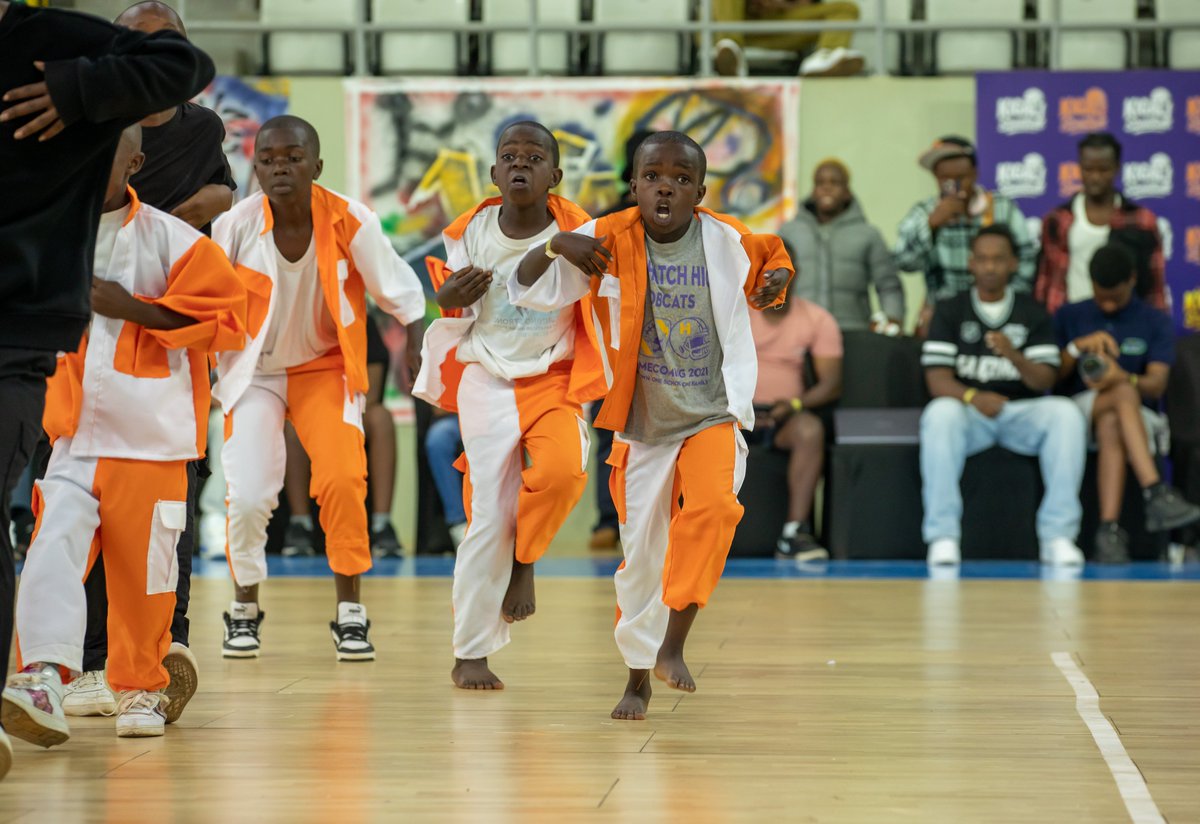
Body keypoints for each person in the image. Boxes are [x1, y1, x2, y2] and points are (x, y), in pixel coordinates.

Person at [0, 0, 213, 778]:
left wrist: (134, 308)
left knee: (146, 576)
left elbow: (225, 314)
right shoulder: (58, 227)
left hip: (153, 442)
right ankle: (44, 678)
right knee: (51, 550)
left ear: (131, 164)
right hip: (76, 436)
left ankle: (141, 687)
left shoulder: (174, 240)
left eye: (114, 155)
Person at [512, 131, 791, 719]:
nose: (667, 185)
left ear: (700, 192)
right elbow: (525, 290)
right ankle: (636, 676)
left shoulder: (726, 239)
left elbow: (772, 260)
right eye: (654, 176)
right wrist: (558, 244)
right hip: (640, 425)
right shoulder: (605, 238)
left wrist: (774, 281)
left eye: (682, 178)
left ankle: (673, 646)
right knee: (640, 554)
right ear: (634, 185)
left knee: (714, 508)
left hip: (712, 411)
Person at [67, 0, 236, 724]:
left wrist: (166, 230)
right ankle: (84, 662)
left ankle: (164, 651)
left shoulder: (200, 130)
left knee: (165, 519)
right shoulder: (83, 121)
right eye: (138, 42)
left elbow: (222, 199)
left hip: (162, 345)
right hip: (80, 356)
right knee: (71, 524)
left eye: (166, 43)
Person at [213, 115, 426, 661]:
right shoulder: (234, 227)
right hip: (254, 374)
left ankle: (350, 612)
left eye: (292, 157)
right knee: (252, 494)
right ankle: (244, 609)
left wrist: (419, 342)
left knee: (342, 479)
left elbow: (399, 291)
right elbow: (207, 305)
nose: (279, 167)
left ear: (317, 166)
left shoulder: (351, 221)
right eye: (268, 159)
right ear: (254, 166)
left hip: (324, 367)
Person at [413, 121, 596, 691]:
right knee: (488, 515)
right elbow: (451, 305)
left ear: (554, 176)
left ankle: (524, 564)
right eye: (509, 156)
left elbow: (583, 291)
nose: (521, 164)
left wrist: (561, 246)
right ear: (494, 173)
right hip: (488, 379)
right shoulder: (468, 233)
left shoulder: (579, 231)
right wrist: (444, 299)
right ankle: (470, 651)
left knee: (564, 473)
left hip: (556, 375)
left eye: (534, 156)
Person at [919, 224, 1086, 567]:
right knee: (939, 414)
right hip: (971, 413)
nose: (990, 267)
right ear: (971, 264)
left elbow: (1044, 380)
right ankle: (943, 536)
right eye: (982, 259)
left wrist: (1013, 355)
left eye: (998, 259)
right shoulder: (951, 309)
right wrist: (972, 397)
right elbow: (936, 379)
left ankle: (1058, 536)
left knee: (1066, 414)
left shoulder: (1032, 312)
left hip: (1019, 411)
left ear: (1013, 264)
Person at [1055, 244, 1200, 562]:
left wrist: (1123, 376)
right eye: (1100, 294)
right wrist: (1078, 349)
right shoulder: (1070, 315)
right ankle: (1156, 493)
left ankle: (1108, 532)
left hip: (1136, 415)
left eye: (1114, 297)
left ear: (1132, 280)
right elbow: (1051, 376)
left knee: (1115, 417)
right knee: (1121, 396)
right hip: (1077, 411)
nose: (1106, 304)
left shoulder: (1153, 320)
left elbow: (1157, 384)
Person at [281, 310, 405, 559]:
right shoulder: (299, 317)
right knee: (292, 425)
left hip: (353, 407)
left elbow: (372, 389)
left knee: (382, 418)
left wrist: (337, 415)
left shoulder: (361, 319)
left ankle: (382, 525)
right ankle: (299, 524)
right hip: (308, 407)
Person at [895, 137, 1036, 331]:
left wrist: (1006, 305)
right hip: (942, 315)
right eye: (945, 179)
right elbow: (903, 262)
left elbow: (1027, 259)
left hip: (997, 312)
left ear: (975, 173)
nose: (954, 186)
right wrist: (930, 226)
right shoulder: (924, 212)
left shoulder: (1002, 207)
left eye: (961, 177)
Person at [590, 129, 654, 551]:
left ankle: (649, 515)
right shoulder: (609, 222)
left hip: (662, 342)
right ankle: (608, 519)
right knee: (609, 431)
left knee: (659, 433)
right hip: (612, 344)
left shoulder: (682, 221)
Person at [749, 280, 843, 559]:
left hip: (783, 414)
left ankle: (794, 534)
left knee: (810, 430)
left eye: (782, 273)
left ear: (795, 274)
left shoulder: (817, 318)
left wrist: (794, 405)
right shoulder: (732, 310)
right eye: (767, 274)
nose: (775, 281)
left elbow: (832, 384)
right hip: (731, 412)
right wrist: (736, 408)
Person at [1035, 132, 1168, 317]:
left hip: (1125, 320)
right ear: (1079, 168)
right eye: (1088, 169)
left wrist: (1159, 326)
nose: (1095, 177)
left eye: (1103, 169)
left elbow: (1155, 284)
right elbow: (1044, 280)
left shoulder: (1141, 220)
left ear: (1117, 168)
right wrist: (1043, 324)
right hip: (1071, 319)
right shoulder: (1057, 219)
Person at [779, 158, 903, 332]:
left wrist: (893, 318)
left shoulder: (868, 234)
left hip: (852, 330)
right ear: (813, 191)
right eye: (820, 183)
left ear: (847, 191)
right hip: (800, 331)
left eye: (835, 182)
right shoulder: (789, 232)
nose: (826, 187)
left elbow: (888, 285)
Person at [712, 0, 865, 77]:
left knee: (847, 9)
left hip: (787, 23)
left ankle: (824, 59)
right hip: (743, 23)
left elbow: (811, 3)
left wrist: (782, 5)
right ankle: (731, 53)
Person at [424, 410, 466, 548]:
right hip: (459, 417)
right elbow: (437, 408)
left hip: (494, 416)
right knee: (438, 438)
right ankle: (459, 524)